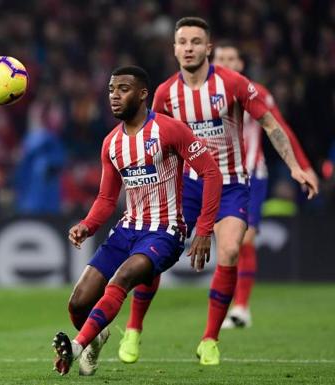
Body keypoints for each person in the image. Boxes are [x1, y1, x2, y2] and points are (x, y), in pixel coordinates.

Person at [117, 17, 319, 366]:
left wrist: (295, 165)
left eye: (197, 41)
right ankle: (134, 328)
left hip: (230, 184)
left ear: (207, 48)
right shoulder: (166, 93)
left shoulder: (233, 84)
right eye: (183, 42)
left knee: (229, 251)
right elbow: (150, 141)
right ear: (175, 48)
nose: (190, 47)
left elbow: (270, 123)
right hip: (186, 187)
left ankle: (210, 338)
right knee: (155, 258)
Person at [52, 65, 222, 376]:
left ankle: (76, 346)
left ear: (143, 94)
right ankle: (96, 336)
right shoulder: (111, 144)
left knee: (121, 280)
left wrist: (204, 229)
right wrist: (87, 225)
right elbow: (106, 199)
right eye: (111, 90)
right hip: (128, 229)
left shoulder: (170, 130)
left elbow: (211, 172)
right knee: (78, 303)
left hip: (165, 232)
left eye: (123, 89)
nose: (114, 97)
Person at [212, 42, 319, 329]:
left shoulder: (255, 92)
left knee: (245, 238)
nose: (224, 62)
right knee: (226, 245)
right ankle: (228, 304)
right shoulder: (199, 94)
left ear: (240, 64)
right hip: (213, 178)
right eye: (220, 57)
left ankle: (242, 308)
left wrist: (304, 166)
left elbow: (280, 128)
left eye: (230, 57)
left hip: (250, 175)